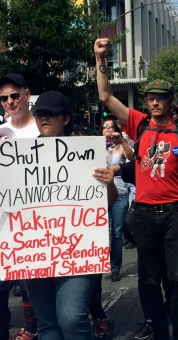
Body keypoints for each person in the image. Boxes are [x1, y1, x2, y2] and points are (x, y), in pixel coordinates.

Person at [95, 37, 178, 340]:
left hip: (175, 213)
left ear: (171, 100)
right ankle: (160, 332)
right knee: (148, 281)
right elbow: (105, 95)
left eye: (160, 98)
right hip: (144, 215)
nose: (154, 102)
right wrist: (100, 58)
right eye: (150, 98)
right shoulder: (138, 124)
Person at [23, 90, 118, 340]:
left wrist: (108, 182)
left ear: (65, 118)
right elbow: (10, 206)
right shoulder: (22, 158)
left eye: (50, 115)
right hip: (34, 251)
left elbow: (108, 201)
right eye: (39, 114)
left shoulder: (87, 153)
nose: (43, 119)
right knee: (46, 324)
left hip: (77, 251)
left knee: (71, 316)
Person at [0, 73, 39, 340]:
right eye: (3, 98)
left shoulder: (42, 129)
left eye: (14, 95)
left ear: (26, 95)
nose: (9, 102)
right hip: (1, 226)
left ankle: (34, 331)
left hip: (35, 226)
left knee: (35, 291)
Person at [101, 116, 133, 283]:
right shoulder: (95, 147)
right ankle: (99, 265)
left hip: (120, 194)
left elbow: (132, 158)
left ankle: (115, 268)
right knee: (102, 233)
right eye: (105, 126)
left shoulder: (121, 146)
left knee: (117, 233)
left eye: (111, 126)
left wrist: (123, 142)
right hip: (100, 195)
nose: (108, 129)